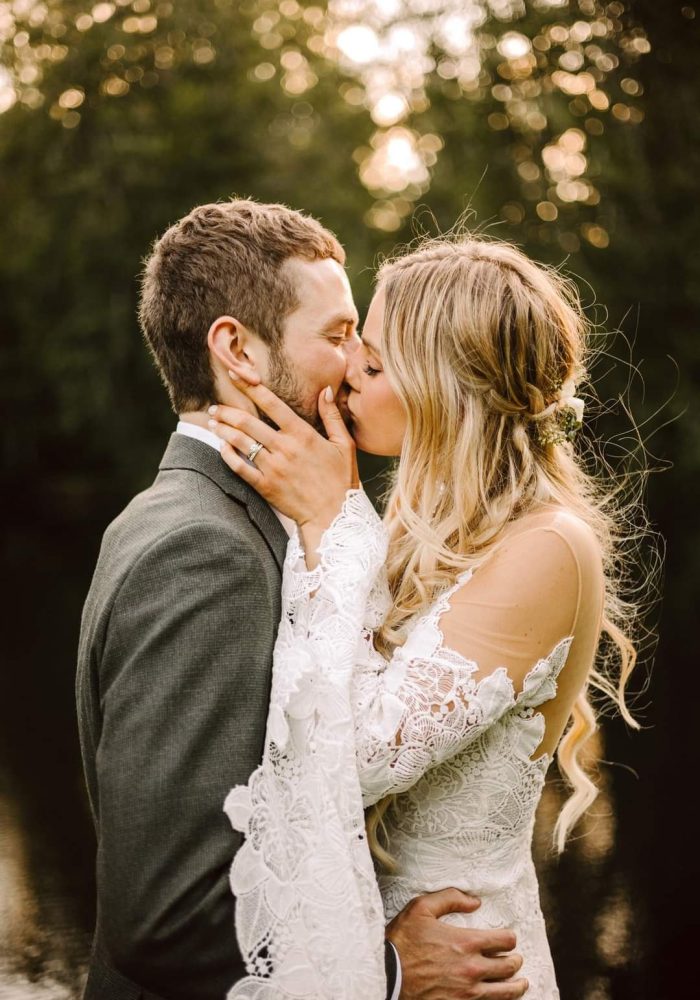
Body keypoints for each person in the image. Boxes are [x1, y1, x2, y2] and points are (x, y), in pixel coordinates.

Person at [76, 202, 526, 1000]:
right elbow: (167, 919)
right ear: (238, 349)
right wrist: (391, 970)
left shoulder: (216, 518)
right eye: (337, 334)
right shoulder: (204, 551)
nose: (358, 363)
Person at [209, 235, 641, 999]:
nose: (348, 375)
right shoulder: (427, 531)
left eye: (374, 365)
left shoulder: (548, 546)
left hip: (473, 975)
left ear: (448, 389)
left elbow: (361, 758)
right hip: (384, 964)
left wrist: (331, 522)